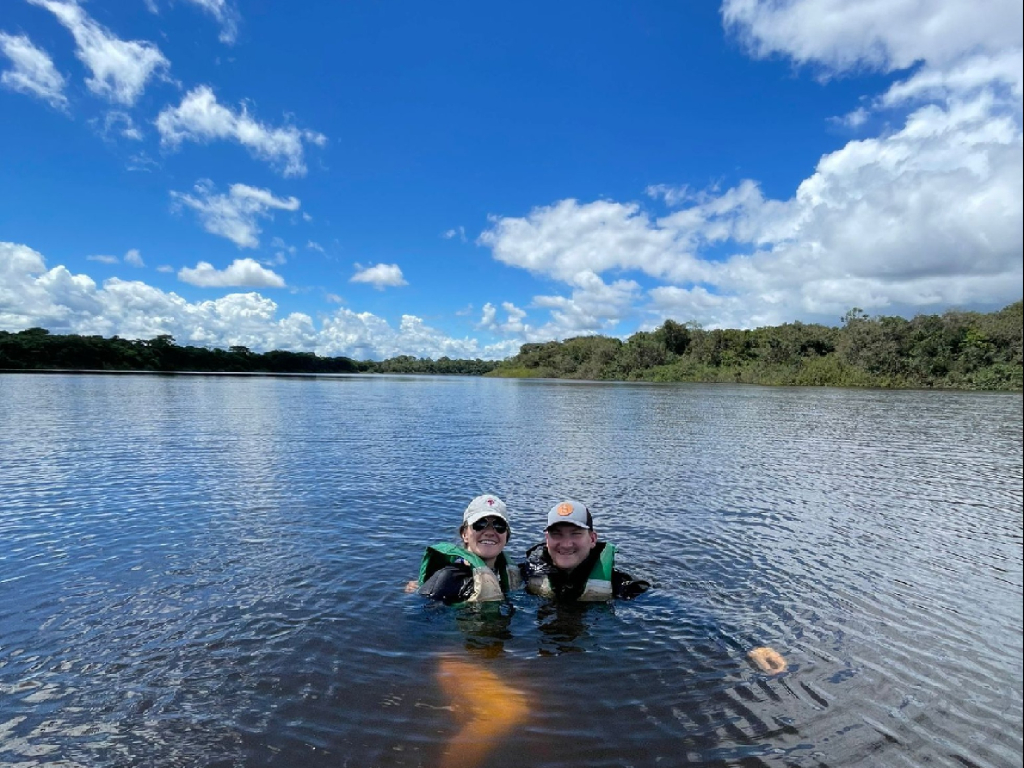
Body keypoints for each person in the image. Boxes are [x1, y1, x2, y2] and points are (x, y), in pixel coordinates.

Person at [520, 500, 650, 601]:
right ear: (547, 540)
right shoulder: (526, 574)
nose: (566, 544)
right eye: (557, 534)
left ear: (592, 539)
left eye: (575, 534)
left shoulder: (622, 586)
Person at [408, 494, 522, 605]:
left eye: (499, 526)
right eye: (480, 524)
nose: (489, 532)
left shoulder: (519, 574)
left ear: (507, 536)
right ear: (464, 534)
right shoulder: (446, 579)